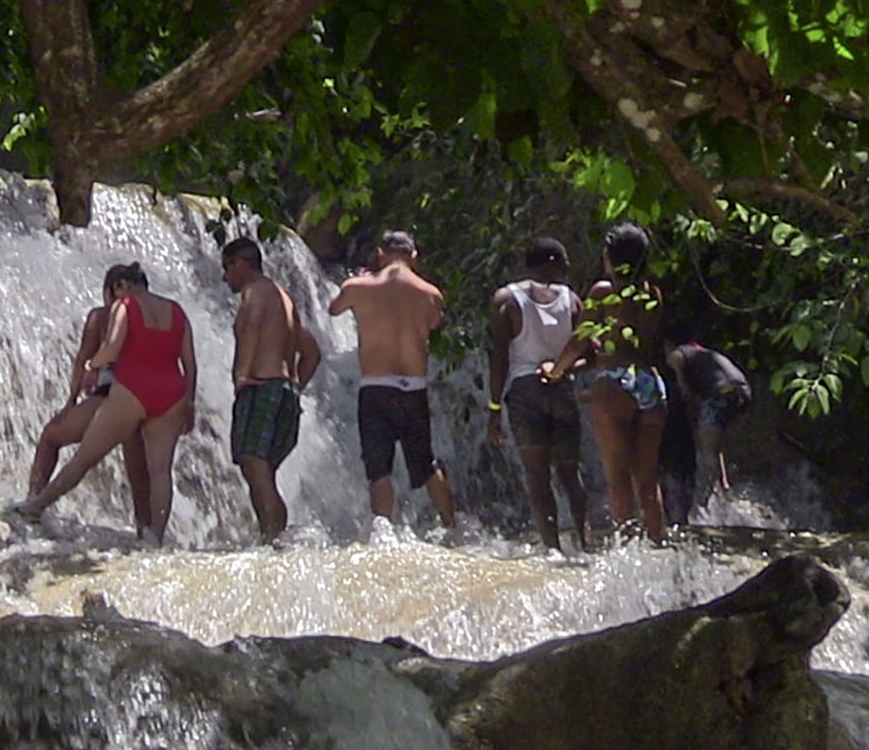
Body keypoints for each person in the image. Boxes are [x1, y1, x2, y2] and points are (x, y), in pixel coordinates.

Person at [16, 264, 195, 545]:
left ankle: (34, 506)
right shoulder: (175, 310)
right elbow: (190, 364)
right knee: (160, 472)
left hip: (132, 390)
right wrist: (190, 402)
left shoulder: (123, 306)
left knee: (84, 457)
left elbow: (111, 347)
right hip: (172, 392)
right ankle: (154, 539)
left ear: (121, 285)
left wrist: (91, 366)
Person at [327, 230, 457, 531]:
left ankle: (383, 532)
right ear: (414, 257)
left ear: (381, 254)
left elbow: (333, 309)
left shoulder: (357, 286)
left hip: (376, 386)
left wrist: (362, 279)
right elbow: (434, 324)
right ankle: (451, 526)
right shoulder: (431, 294)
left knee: (379, 469)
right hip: (414, 387)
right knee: (426, 465)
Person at [548, 223, 669, 543]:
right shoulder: (653, 293)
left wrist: (556, 371)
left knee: (617, 476)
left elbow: (580, 339)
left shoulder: (603, 292)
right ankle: (658, 546)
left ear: (610, 257)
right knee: (647, 479)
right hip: (649, 382)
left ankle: (627, 553)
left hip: (614, 383)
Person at [489, 236, 595, 550]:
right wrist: (563, 370)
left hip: (524, 392)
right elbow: (594, 355)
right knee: (570, 474)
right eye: (564, 262)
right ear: (550, 262)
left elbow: (499, 356)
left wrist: (494, 407)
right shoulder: (572, 300)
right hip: (561, 388)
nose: (568, 268)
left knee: (537, 477)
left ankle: (552, 550)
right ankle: (586, 544)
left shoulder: (506, 299)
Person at [28, 265, 154, 524]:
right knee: (139, 473)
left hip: (109, 396)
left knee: (51, 437)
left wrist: (71, 400)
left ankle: (33, 501)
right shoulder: (158, 315)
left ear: (109, 291)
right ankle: (148, 533)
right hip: (146, 399)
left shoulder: (102, 315)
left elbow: (83, 358)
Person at [221, 237, 320, 542]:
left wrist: (241, 376)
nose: (225, 277)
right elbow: (312, 353)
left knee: (253, 463)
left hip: (261, 386)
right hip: (285, 391)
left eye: (227, 268)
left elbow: (251, 324)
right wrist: (293, 386)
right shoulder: (284, 299)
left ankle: (273, 539)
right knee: (264, 473)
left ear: (242, 263)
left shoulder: (256, 292)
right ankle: (276, 538)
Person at [666, 331, 751, 515]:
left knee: (708, 450)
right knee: (712, 447)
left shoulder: (676, 354)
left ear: (668, 344)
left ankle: (721, 502)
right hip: (742, 392)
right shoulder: (701, 353)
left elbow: (686, 392)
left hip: (720, 394)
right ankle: (723, 490)